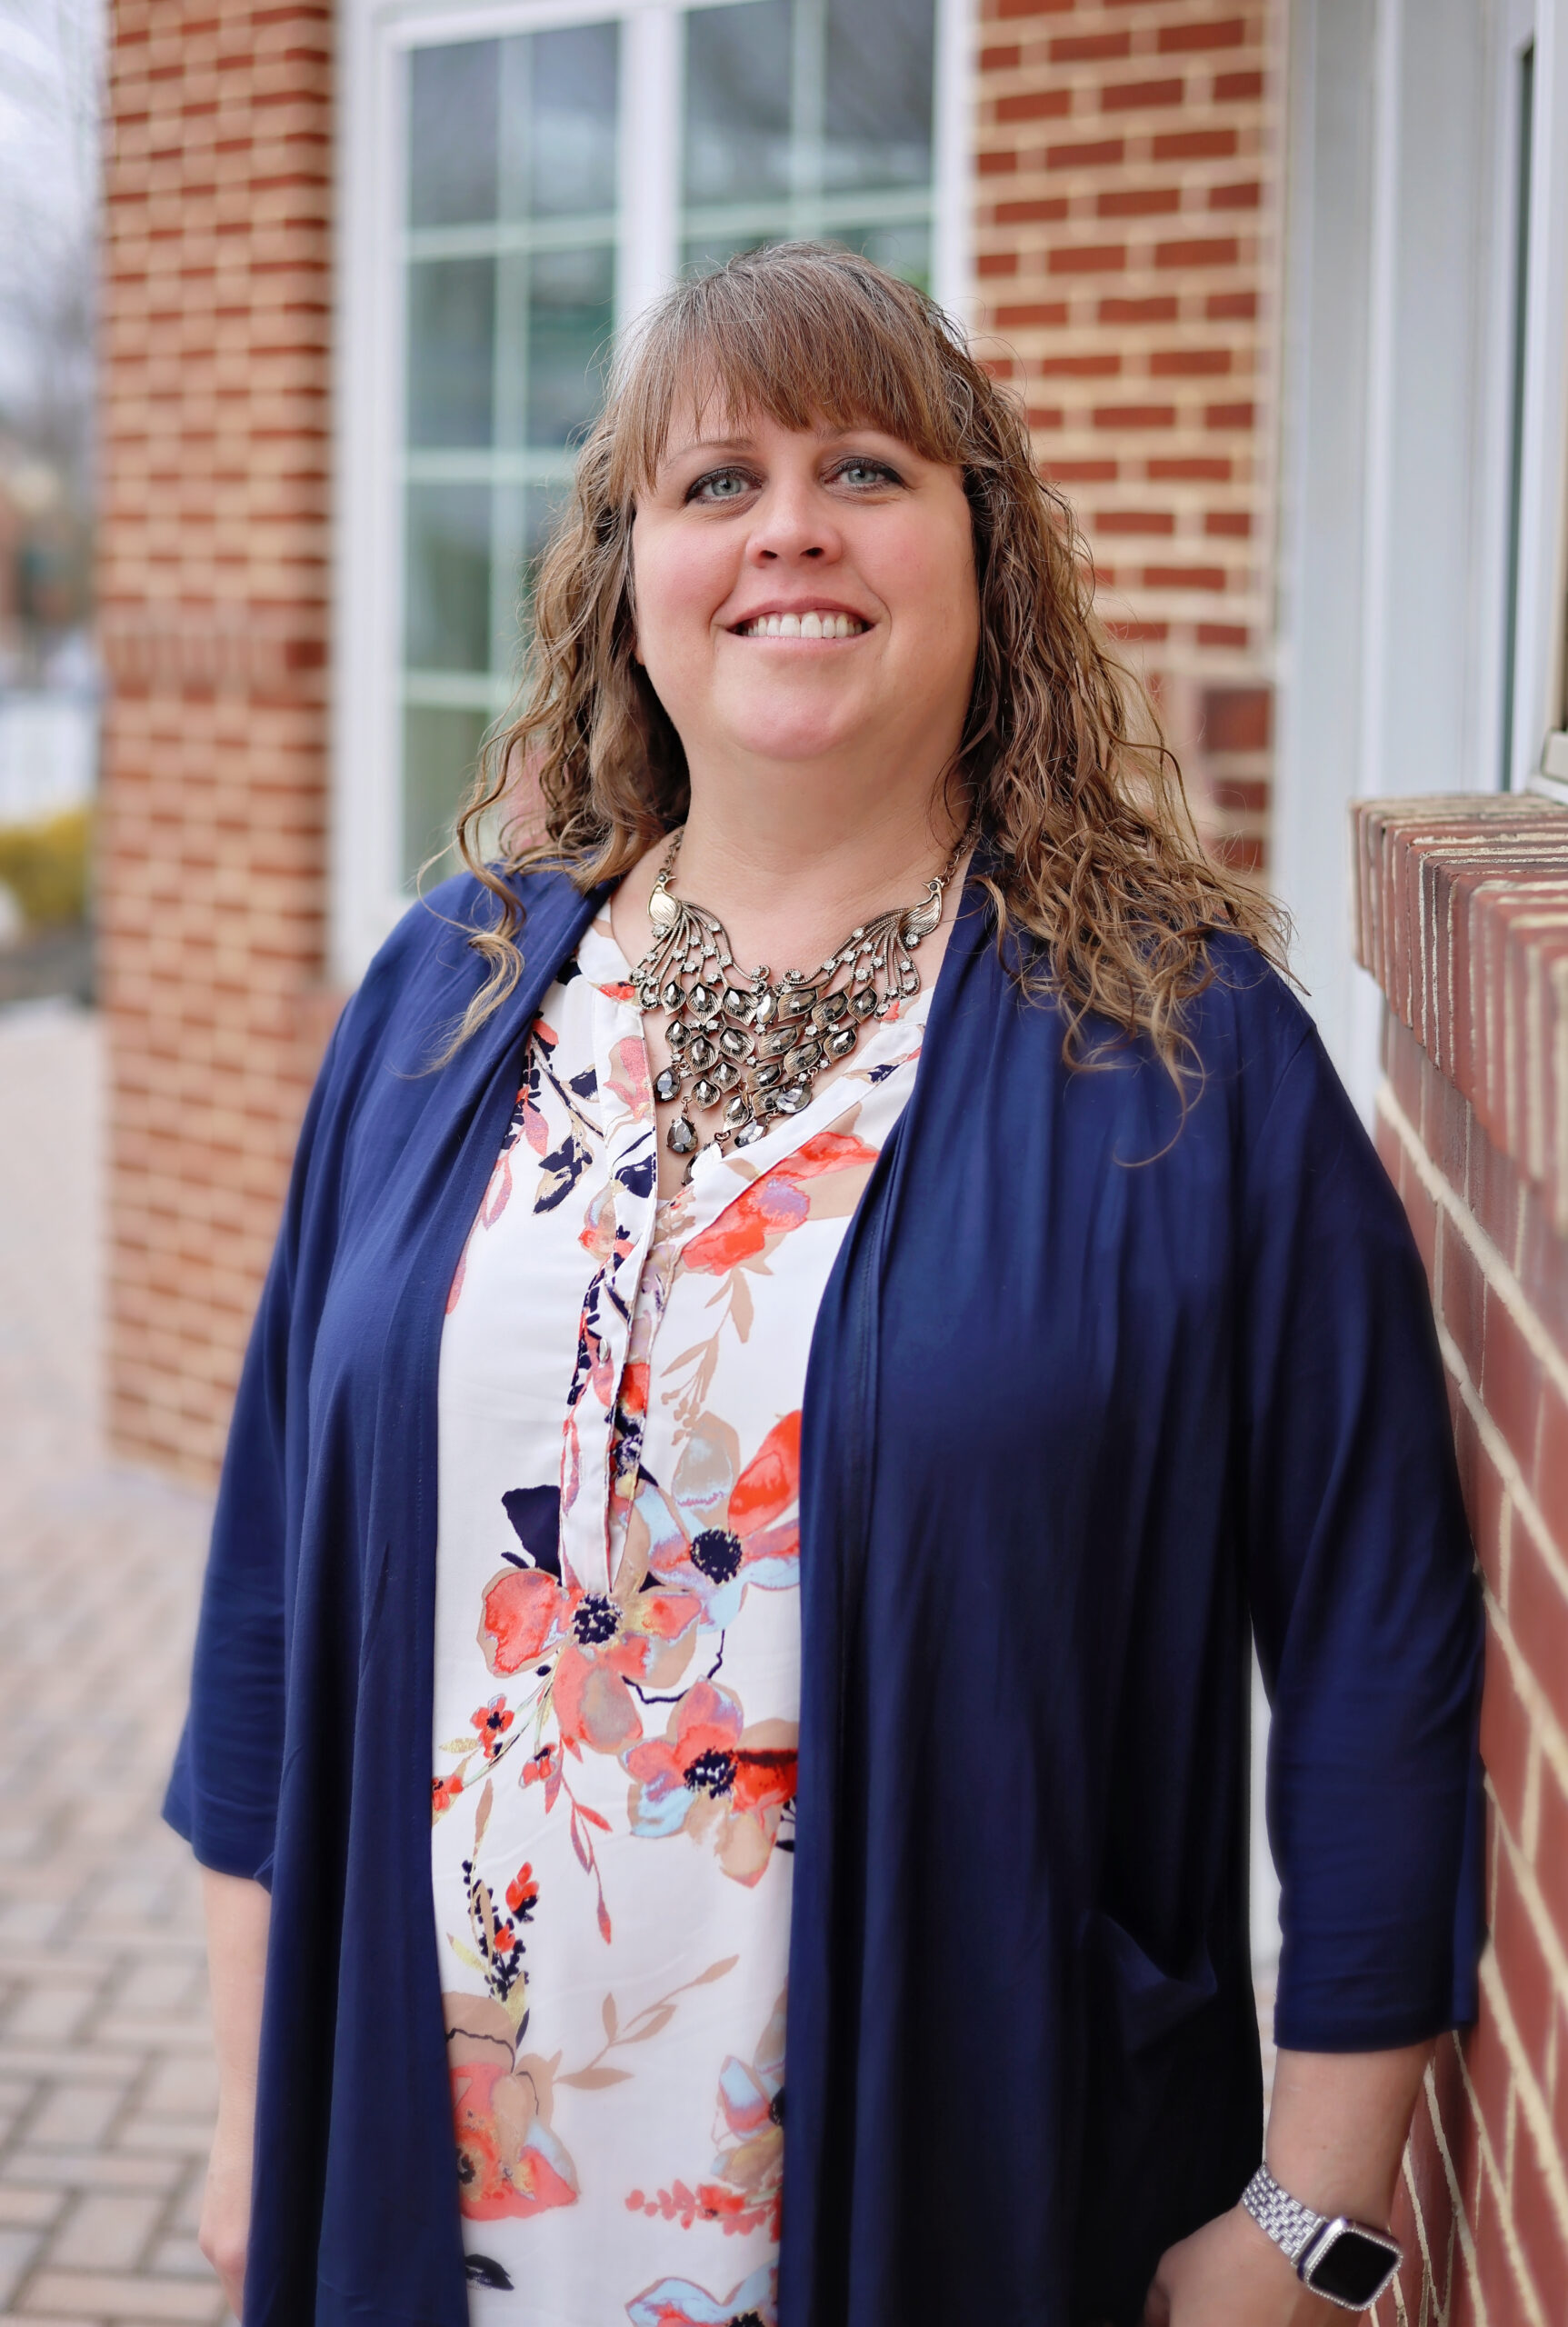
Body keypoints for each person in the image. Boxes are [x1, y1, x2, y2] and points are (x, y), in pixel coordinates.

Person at [168, 245, 1482, 2327]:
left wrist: (1308, 2231)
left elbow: (1375, 1651)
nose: (787, 525)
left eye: (863, 465)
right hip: (429, 2196)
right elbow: (266, 1588)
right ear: (630, 581)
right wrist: (250, 2112)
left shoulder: (1179, 1055)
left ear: (985, 561)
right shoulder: (447, 991)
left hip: (954, 2176)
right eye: (715, 483)